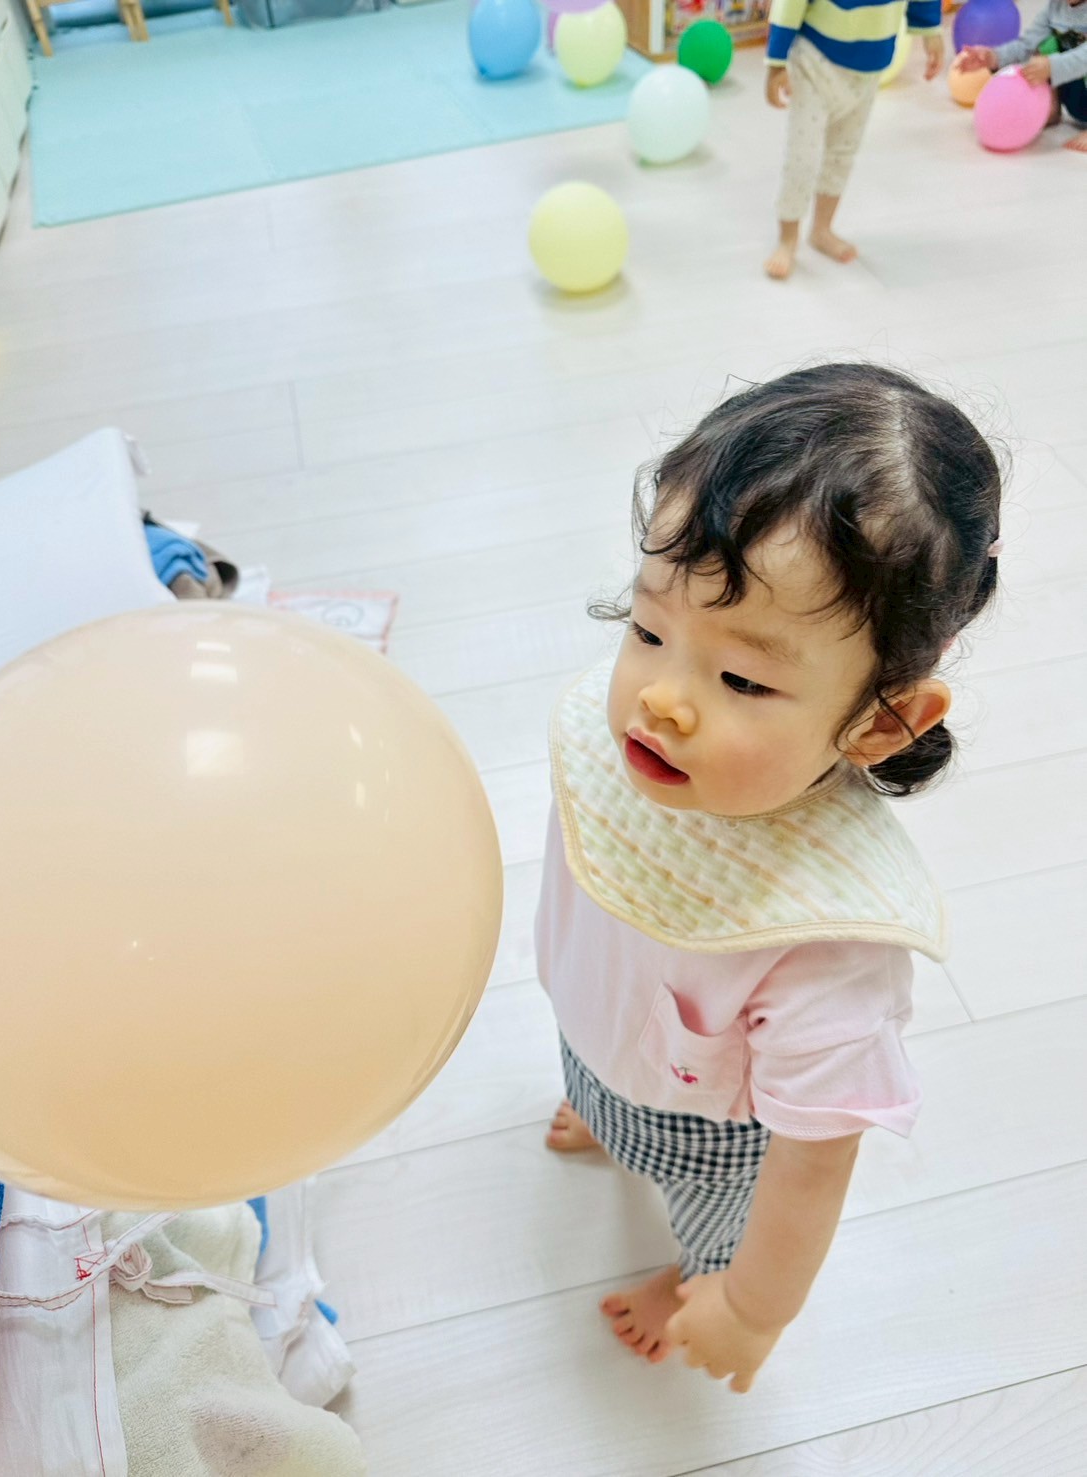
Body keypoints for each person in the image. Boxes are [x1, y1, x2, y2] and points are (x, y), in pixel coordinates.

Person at [535, 363, 1003, 1389]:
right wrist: (605, 1084)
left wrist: (749, 1307)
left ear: (879, 723)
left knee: (718, 1219)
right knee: (594, 1073)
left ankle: (694, 1270)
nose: (660, 698)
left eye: (742, 678)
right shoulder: (619, 746)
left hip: (712, 1138)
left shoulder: (827, 944)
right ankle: (605, 1114)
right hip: (600, 1037)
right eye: (648, 629)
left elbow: (811, 1165)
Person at [763, 1, 945, 279]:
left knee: (843, 153)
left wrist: (930, 30)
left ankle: (822, 229)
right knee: (803, 158)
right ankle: (788, 239)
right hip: (814, 60)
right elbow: (789, 5)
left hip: (868, 69)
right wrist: (776, 63)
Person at [958, 0, 1087, 154]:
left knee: (1051, 62)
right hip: (1076, 88)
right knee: (1043, 50)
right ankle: (1051, 107)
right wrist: (993, 57)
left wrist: (1052, 66)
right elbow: (1026, 45)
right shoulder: (1054, 7)